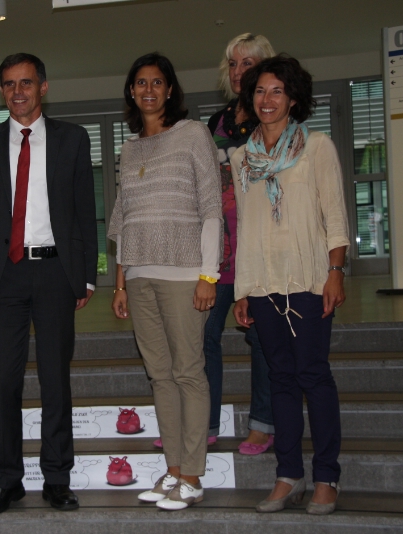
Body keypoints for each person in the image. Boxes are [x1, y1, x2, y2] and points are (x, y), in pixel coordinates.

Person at [0, 53, 98, 517]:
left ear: (43, 86)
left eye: (25, 82)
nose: (17, 92)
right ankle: (7, 481)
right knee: (3, 380)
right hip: (3, 276)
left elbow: (84, 210)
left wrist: (86, 274)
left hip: (56, 271)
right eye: (8, 84)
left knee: (55, 378)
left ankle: (57, 478)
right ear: (1, 90)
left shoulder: (72, 139)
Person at [231, 55, 349, 515]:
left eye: (277, 90)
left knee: (313, 376)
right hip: (263, 283)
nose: (267, 99)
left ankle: (326, 477)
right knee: (279, 379)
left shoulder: (317, 147)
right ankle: (288, 474)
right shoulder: (241, 158)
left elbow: (334, 214)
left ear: (293, 98)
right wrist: (243, 289)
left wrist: (335, 272)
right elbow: (245, 226)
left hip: (309, 279)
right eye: (260, 91)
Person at [108, 53, 222, 511]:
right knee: (160, 376)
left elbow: (211, 207)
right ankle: (173, 470)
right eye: (140, 83)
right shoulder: (130, 148)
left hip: (185, 274)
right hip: (138, 276)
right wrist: (120, 283)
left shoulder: (193, 134)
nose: (149, 90)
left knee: (188, 372)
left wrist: (208, 275)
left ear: (170, 89)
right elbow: (123, 219)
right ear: (131, 92)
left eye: (157, 82)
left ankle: (193, 475)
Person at [205, 33, 276, 454]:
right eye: (232, 63)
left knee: (263, 340)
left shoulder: (277, 123)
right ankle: (205, 423)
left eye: (247, 63)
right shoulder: (215, 123)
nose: (237, 71)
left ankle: (262, 424)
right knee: (203, 335)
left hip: (261, 254)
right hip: (219, 254)